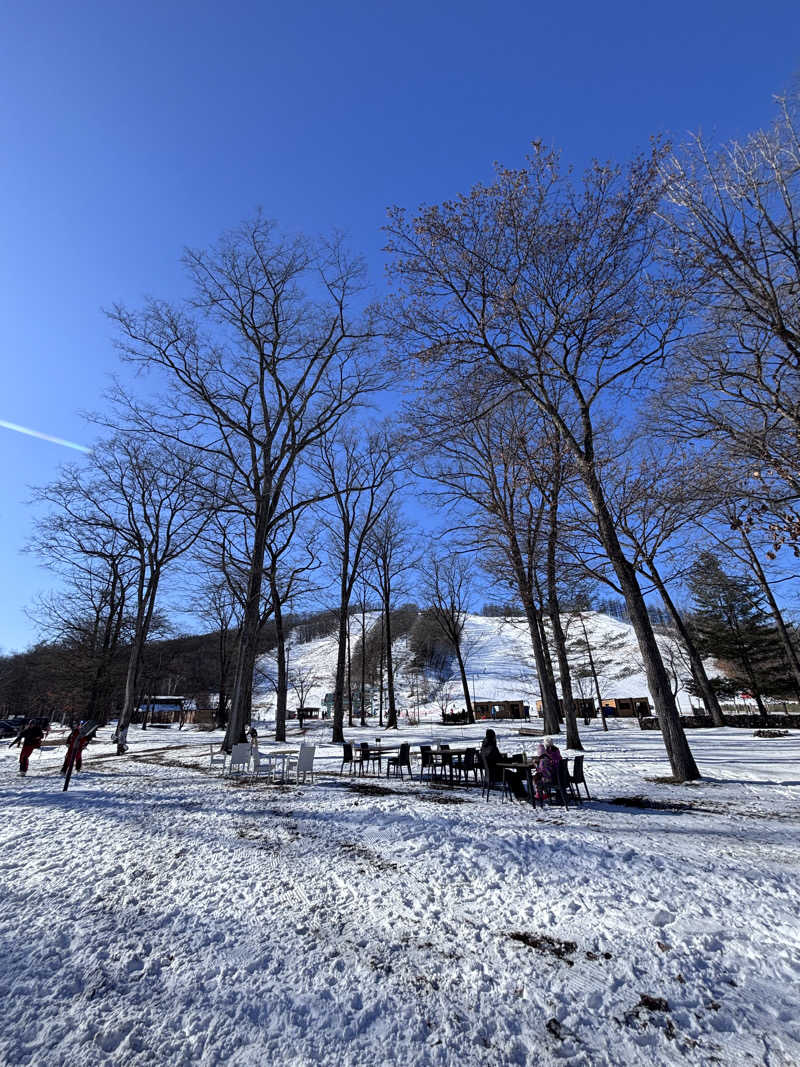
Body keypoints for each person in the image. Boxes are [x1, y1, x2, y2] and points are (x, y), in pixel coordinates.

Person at [480, 729, 526, 799]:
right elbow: (501, 761)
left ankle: (519, 794)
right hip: (497, 774)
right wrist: (513, 760)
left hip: (489, 774)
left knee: (511, 775)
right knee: (514, 776)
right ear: (493, 737)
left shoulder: (484, 747)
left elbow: (496, 759)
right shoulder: (492, 748)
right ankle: (521, 795)